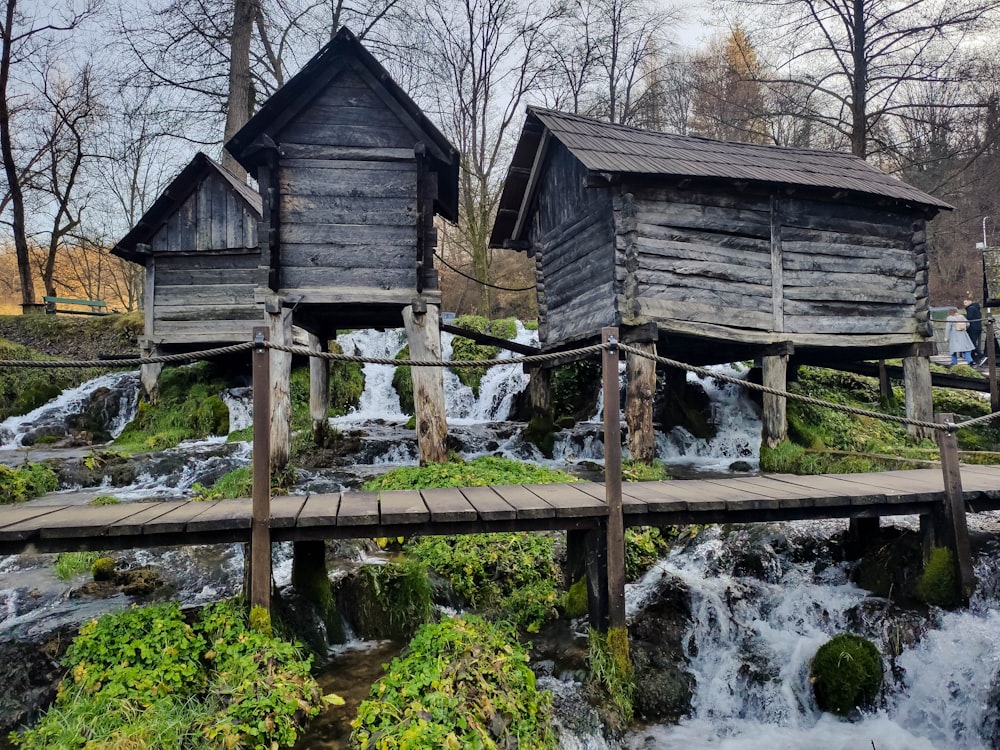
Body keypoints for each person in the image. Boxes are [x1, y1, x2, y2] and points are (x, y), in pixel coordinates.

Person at [963, 296, 983, 362]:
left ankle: (980, 355)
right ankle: (974, 357)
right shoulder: (976, 308)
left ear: (970, 301)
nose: (964, 303)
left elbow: (969, 318)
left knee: (971, 343)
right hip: (977, 327)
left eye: (966, 301)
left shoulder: (970, 309)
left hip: (973, 328)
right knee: (972, 342)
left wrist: (964, 317)